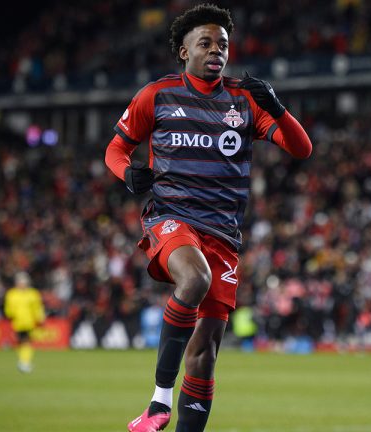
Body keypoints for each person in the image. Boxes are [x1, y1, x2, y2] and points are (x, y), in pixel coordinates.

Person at [104, 4, 312, 431]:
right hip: (171, 217)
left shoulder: (244, 101)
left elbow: (302, 149)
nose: (217, 50)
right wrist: (128, 173)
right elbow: (116, 148)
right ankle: (159, 401)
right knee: (194, 279)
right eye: (205, 43)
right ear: (183, 51)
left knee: (205, 354)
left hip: (224, 234)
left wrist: (278, 107)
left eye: (223, 43)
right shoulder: (157, 94)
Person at [4, 271, 45, 373]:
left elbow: (37, 308)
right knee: (23, 343)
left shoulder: (32, 294)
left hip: (28, 322)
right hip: (17, 323)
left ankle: (24, 362)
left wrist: (39, 318)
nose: (22, 284)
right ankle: (23, 362)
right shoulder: (12, 294)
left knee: (26, 342)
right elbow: (8, 309)